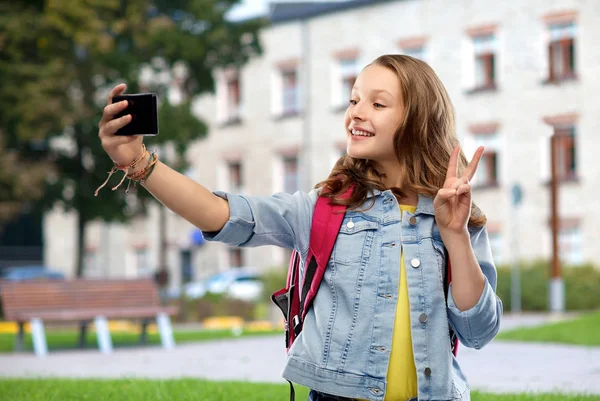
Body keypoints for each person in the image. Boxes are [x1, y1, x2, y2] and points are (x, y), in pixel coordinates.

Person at [97, 54, 502, 401]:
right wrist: (140, 164)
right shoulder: (325, 208)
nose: (355, 112)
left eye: (378, 104)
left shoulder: (455, 217)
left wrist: (454, 235)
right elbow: (222, 214)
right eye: (353, 99)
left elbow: (477, 330)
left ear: (418, 120)